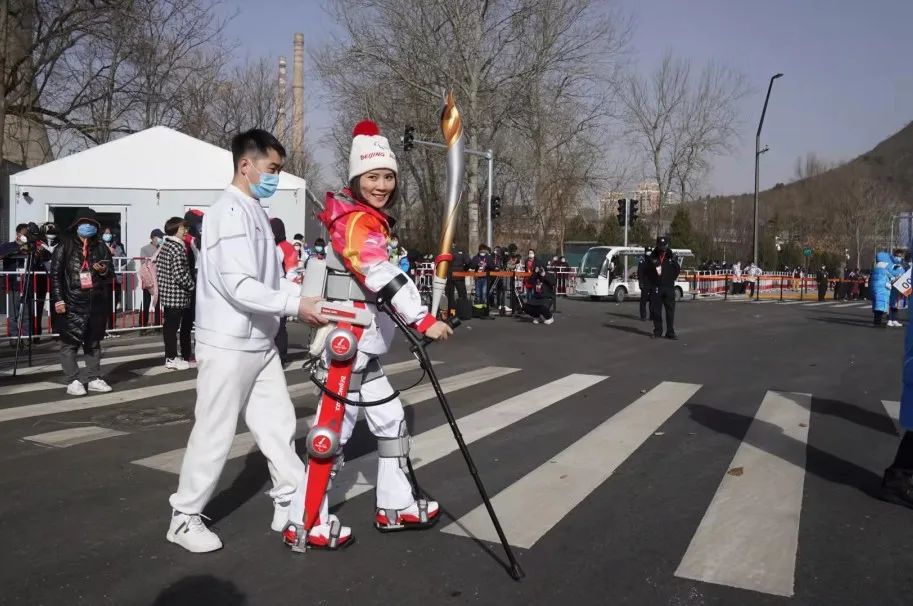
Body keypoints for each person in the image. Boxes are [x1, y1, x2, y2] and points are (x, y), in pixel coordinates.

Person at [166, 129, 329, 553]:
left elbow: (266, 279)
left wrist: (298, 294)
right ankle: (184, 517)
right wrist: (296, 305)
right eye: (272, 168)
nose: (276, 176)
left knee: (277, 425)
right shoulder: (228, 213)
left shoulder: (255, 209)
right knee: (215, 430)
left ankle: (290, 498)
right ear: (246, 165)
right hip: (228, 342)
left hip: (258, 340)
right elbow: (238, 284)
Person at [295, 119, 453, 547]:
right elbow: (380, 273)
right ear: (356, 179)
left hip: (363, 347)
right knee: (332, 433)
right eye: (372, 177)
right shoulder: (355, 223)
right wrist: (423, 319)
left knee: (391, 421)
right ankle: (306, 522)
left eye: (387, 177)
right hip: (347, 343)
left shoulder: (369, 220)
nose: (381, 184)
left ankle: (395, 505)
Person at [50, 208, 114, 395]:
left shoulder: (101, 247)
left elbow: (111, 275)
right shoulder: (65, 246)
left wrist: (102, 270)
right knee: (69, 343)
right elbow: (55, 275)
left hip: (95, 302)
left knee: (93, 342)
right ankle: (73, 380)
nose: (88, 227)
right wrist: (58, 299)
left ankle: (94, 377)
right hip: (71, 301)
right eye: (84, 223)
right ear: (76, 225)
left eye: (92, 224)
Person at [156, 218, 196, 370]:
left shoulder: (165, 245)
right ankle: (171, 358)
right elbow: (180, 275)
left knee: (169, 329)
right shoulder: (177, 248)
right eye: (182, 229)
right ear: (174, 230)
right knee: (172, 329)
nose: (185, 231)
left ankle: (171, 356)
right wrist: (192, 285)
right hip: (177, 295)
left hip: (168, 293)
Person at [270, 217, 300, 365]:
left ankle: (281, 356)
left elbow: (292, 272)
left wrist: (289, 290)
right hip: (267, 290)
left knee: (280, 325)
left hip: (281, 290)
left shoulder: (286, 247)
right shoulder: (267, 245)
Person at [645, 236, 680, 339]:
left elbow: (677, 270)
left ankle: (670, 332)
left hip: (669, 287)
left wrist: (670, 280)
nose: (662, 249)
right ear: (657, 246)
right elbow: (648, 271)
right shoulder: (653, 256)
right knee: (656, 311)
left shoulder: (671, 256)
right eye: (660, 246)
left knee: (670, 311)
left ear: (667, 246)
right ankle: (657, 331)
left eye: (664, 246)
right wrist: (652, 283)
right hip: (656, 287)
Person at [140, 229, 165, 331]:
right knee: (146, 302)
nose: (160, 239)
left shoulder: (163, 248)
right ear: (153, 237)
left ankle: (157, 325)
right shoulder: (145, 249)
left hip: (159, 278)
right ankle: (143, 325)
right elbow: (143, 263)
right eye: (159, 237)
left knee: (158, 302)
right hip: (148, 279)